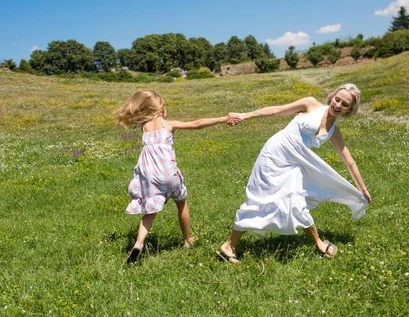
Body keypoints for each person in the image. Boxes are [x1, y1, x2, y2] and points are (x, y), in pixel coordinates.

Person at [218, 84, 371, 264]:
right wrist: (245, 115)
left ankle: (319, 243)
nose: (338, 105)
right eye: (337, 99)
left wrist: (363, 188)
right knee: (260, 200)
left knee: (296, 200)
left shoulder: (334, 131)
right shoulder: (310, 104)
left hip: (295, 163)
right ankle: (228, 245)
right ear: (332, 96)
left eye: (344, 104)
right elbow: (276, 110)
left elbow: (349, 160)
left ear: (349, 110)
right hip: (274, 155)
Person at [114, 90, 229, 263]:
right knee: (181, 203)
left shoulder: (144, 128)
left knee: (150, 212)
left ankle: (139, 243)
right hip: (168, 175)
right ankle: (187, 240)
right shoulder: (168, 124)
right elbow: (197, 124)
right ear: (159, 108)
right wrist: (223, 119)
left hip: (150, 177)